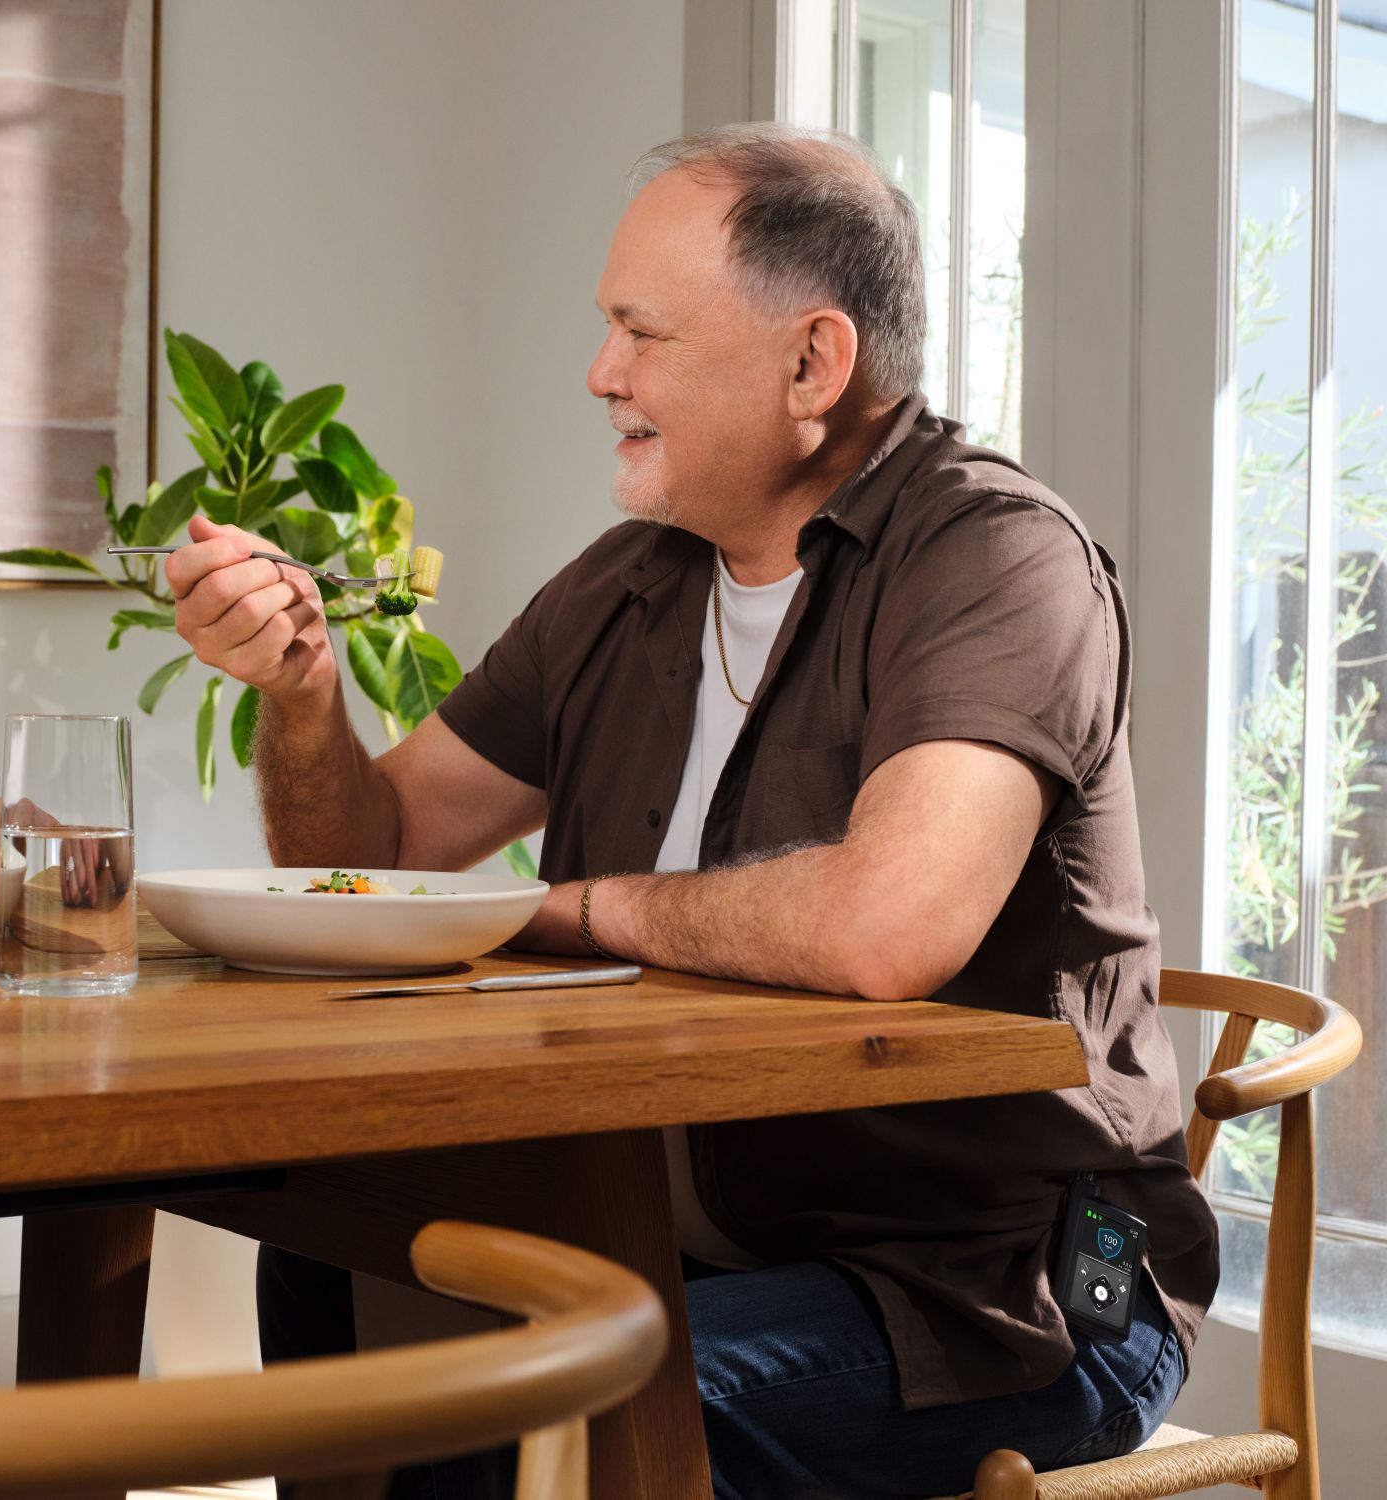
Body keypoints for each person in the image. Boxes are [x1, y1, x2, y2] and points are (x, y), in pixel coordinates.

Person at [169, 125, 1219, 1499]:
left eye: (641, 332)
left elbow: (885, 927)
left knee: (524, 1416)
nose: (601, 373)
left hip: (992, 1286)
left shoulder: (996, 560)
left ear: (813, 363)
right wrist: (303, 691)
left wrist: (583, 908)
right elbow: (371, 860)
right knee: (332, 1267)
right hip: (691, 1233)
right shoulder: (630, 584)